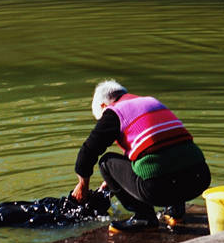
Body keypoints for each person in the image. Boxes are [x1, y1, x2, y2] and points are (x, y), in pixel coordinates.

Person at [72, 79, 211, 232]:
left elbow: (87, 152)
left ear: (104, 106)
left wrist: (83, 185)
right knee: (171, 154)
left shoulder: (114, 111)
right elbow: (156, 145)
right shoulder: (151, 102)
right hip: (199, 179)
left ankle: (144, 217)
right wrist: (117, 180)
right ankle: (175, 212)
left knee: (106, 162)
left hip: (158, 188)